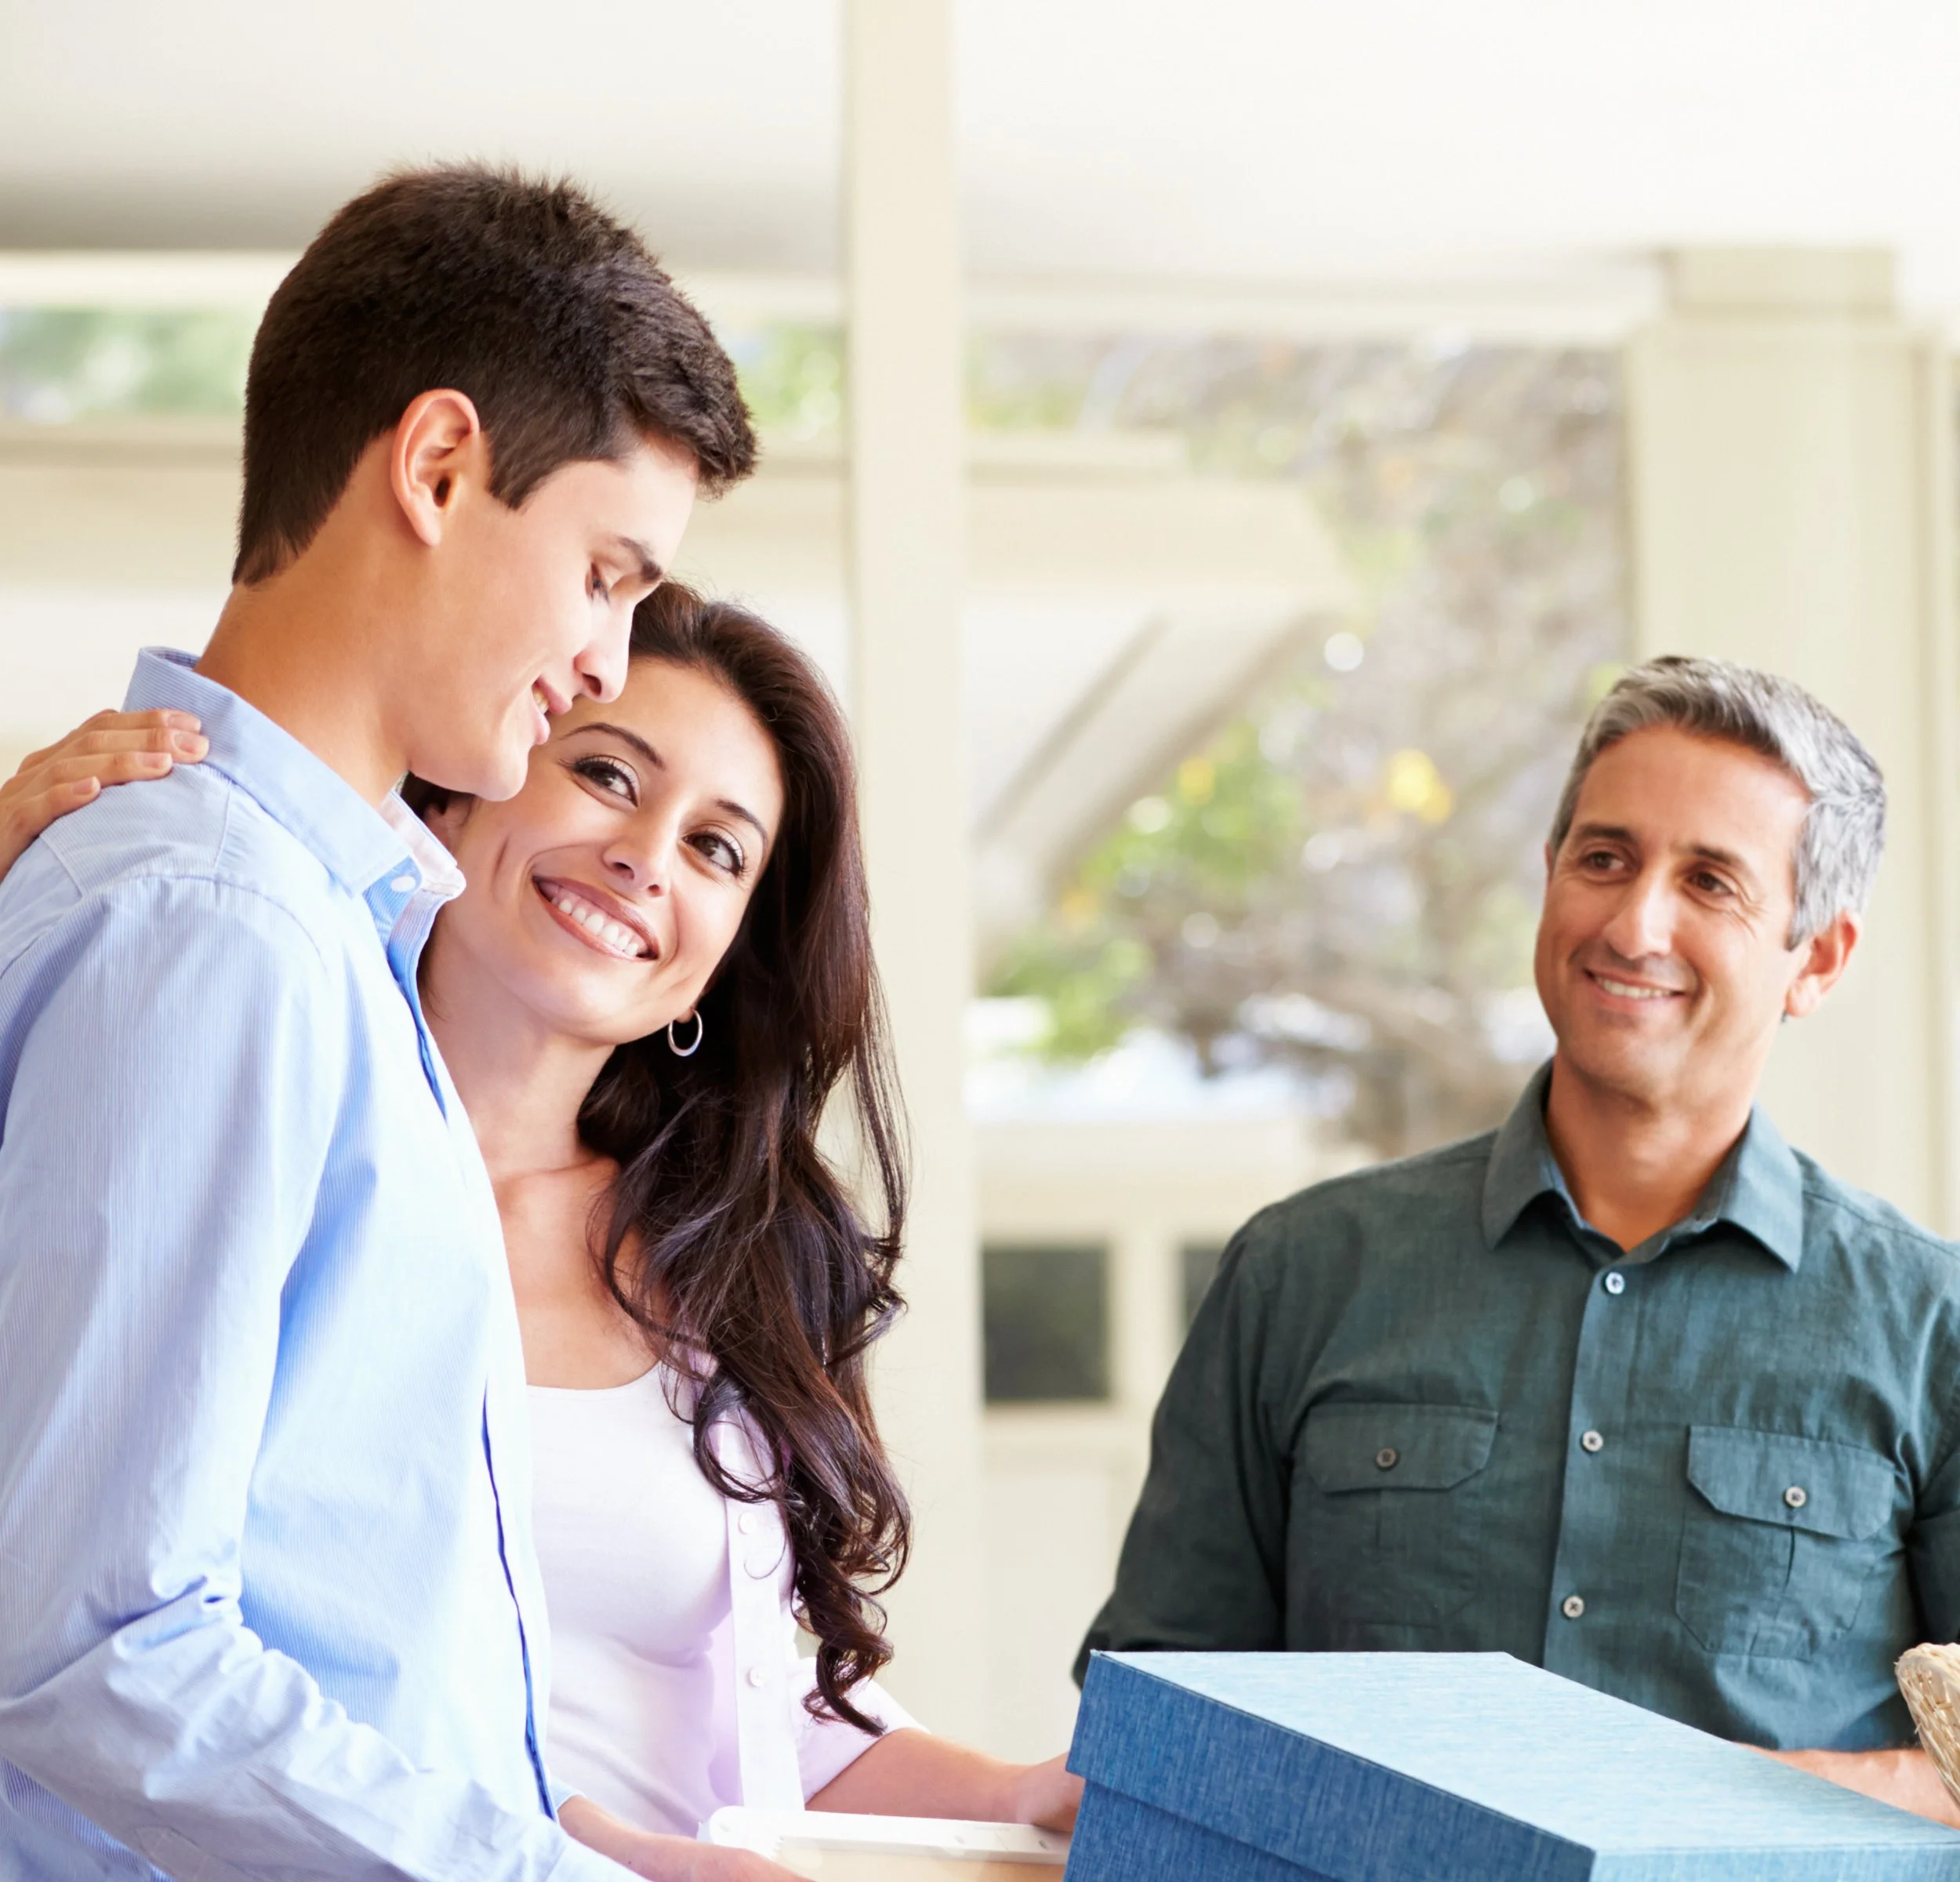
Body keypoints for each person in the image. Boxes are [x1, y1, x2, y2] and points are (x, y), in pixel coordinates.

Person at [12, 588, 1083, 1876]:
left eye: (718, 851)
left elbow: (731, 1715)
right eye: (605, 772)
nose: (646, 856)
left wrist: (1023, 1796)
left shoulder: (720, 1260)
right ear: (466, 783)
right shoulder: (225, 1102)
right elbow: (141, 1626)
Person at [0, 165, 758, 1881]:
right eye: (602, 572)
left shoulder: (315, 934)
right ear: (434, 467)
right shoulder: (211, 927)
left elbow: (336, 1616)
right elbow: (93, 1647)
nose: (602, 657)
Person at [1079, 656, 1960, 1826]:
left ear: (1821, 959)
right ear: (1549, 879)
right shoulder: (1302, 1275)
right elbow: (1153, 1720)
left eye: (1711, 882)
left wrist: (1723, 1807)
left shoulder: (1929, 1326)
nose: (1637, 922)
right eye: (1606, 858)